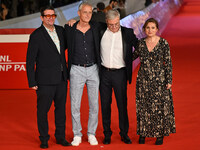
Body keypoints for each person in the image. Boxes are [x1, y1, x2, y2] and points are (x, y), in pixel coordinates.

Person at [26, 6, 71, 148]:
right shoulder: (36, 35)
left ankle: (60, 137)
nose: (51, 18)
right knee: (43, 111)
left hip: (62, 79)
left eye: (53, 15)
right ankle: (44, 138)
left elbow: (63, 50)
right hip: (44, 81)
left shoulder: (61, 31)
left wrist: (70, 25)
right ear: (42, 18)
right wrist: (32, 81)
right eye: (47, 16)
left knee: (61, 110)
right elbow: (29, 60)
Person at [132, 18, 176, 145]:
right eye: (147, 28)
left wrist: (169, 80)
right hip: (143, 80)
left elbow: (168, 62)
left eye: (152, 28)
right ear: (144, 29)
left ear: (157, 29)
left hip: (159, 80)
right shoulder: (140, 43)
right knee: (143, 107)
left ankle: (159, 134)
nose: (150, 30)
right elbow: (132, 57)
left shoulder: (163, 43)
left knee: (158, 108)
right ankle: (143, 134)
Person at [64, 2, 101, 146]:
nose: (87, 15)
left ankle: (91, 133)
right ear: (78, 13)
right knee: (75, 105)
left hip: (93, 69)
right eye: (84, 12)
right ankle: (77, 134)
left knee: (94, 105)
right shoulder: (70, 28)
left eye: (90, 12)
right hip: (76, 69)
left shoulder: (96, 27)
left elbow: (114, 24)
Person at [99, 9, 138, 145]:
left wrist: (128, 60)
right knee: (105, 105)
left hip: (120, 74)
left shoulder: (128, 32)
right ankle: (107, 134)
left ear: (119, 20)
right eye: (111, 25)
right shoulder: (100, 31)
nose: (114, 27)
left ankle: (124, 133)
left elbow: (139, 47)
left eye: (116, 24)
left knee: (122, 105)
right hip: (103, 73)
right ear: (106, 22)